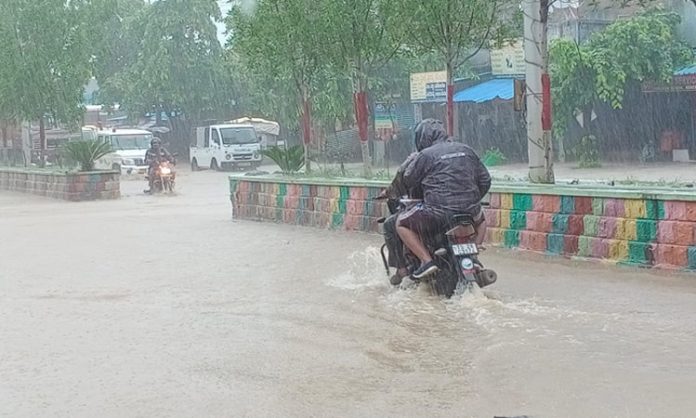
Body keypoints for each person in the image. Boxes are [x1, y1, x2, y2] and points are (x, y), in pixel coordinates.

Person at [396, 119, 491, 279]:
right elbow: (485, 180)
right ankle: (474, 254)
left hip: (437, 215)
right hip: (469, 213)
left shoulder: (425, 155)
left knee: (401, 224)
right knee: (482, 220)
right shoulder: (466, 149)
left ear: (422, 138)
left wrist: (412, 160)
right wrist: (471, 200)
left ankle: (426, 261)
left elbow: (408, 180)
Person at [377, 151, 421, 286]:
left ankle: (401, 269)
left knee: (390, 225)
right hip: (459, 208)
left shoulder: (419, 157)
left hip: (427, 208)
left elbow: (399, 180)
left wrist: (387, 192)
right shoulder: (461, 154)